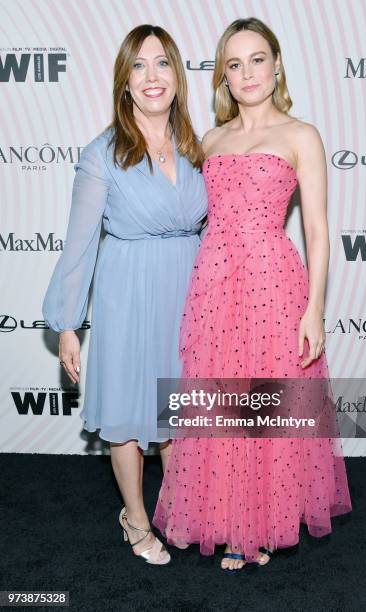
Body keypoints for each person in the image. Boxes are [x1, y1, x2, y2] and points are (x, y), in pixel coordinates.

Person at [153, 17, 352, 571]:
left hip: (273, 282)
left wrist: (315, 307)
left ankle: (262, 524)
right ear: (223, 75)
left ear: (277, 63)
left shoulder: (300, 135)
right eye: (234, 63)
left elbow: (316, 229)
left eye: (257, 58)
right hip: (215, 283)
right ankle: (234, 527)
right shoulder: (208, 140)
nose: (248, 72)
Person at [42, 25, 207, 565]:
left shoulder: (196, 147)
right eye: (138, 66)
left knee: (177, 410)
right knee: (128, 412)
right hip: (128, 292)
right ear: (125, 81)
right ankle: (135, 517)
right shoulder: (102, 154)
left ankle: (177, 509)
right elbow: (80, 243)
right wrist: (68, 323)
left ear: (178, 76)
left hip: (186, 289)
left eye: (162, 63)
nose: (152, 76)